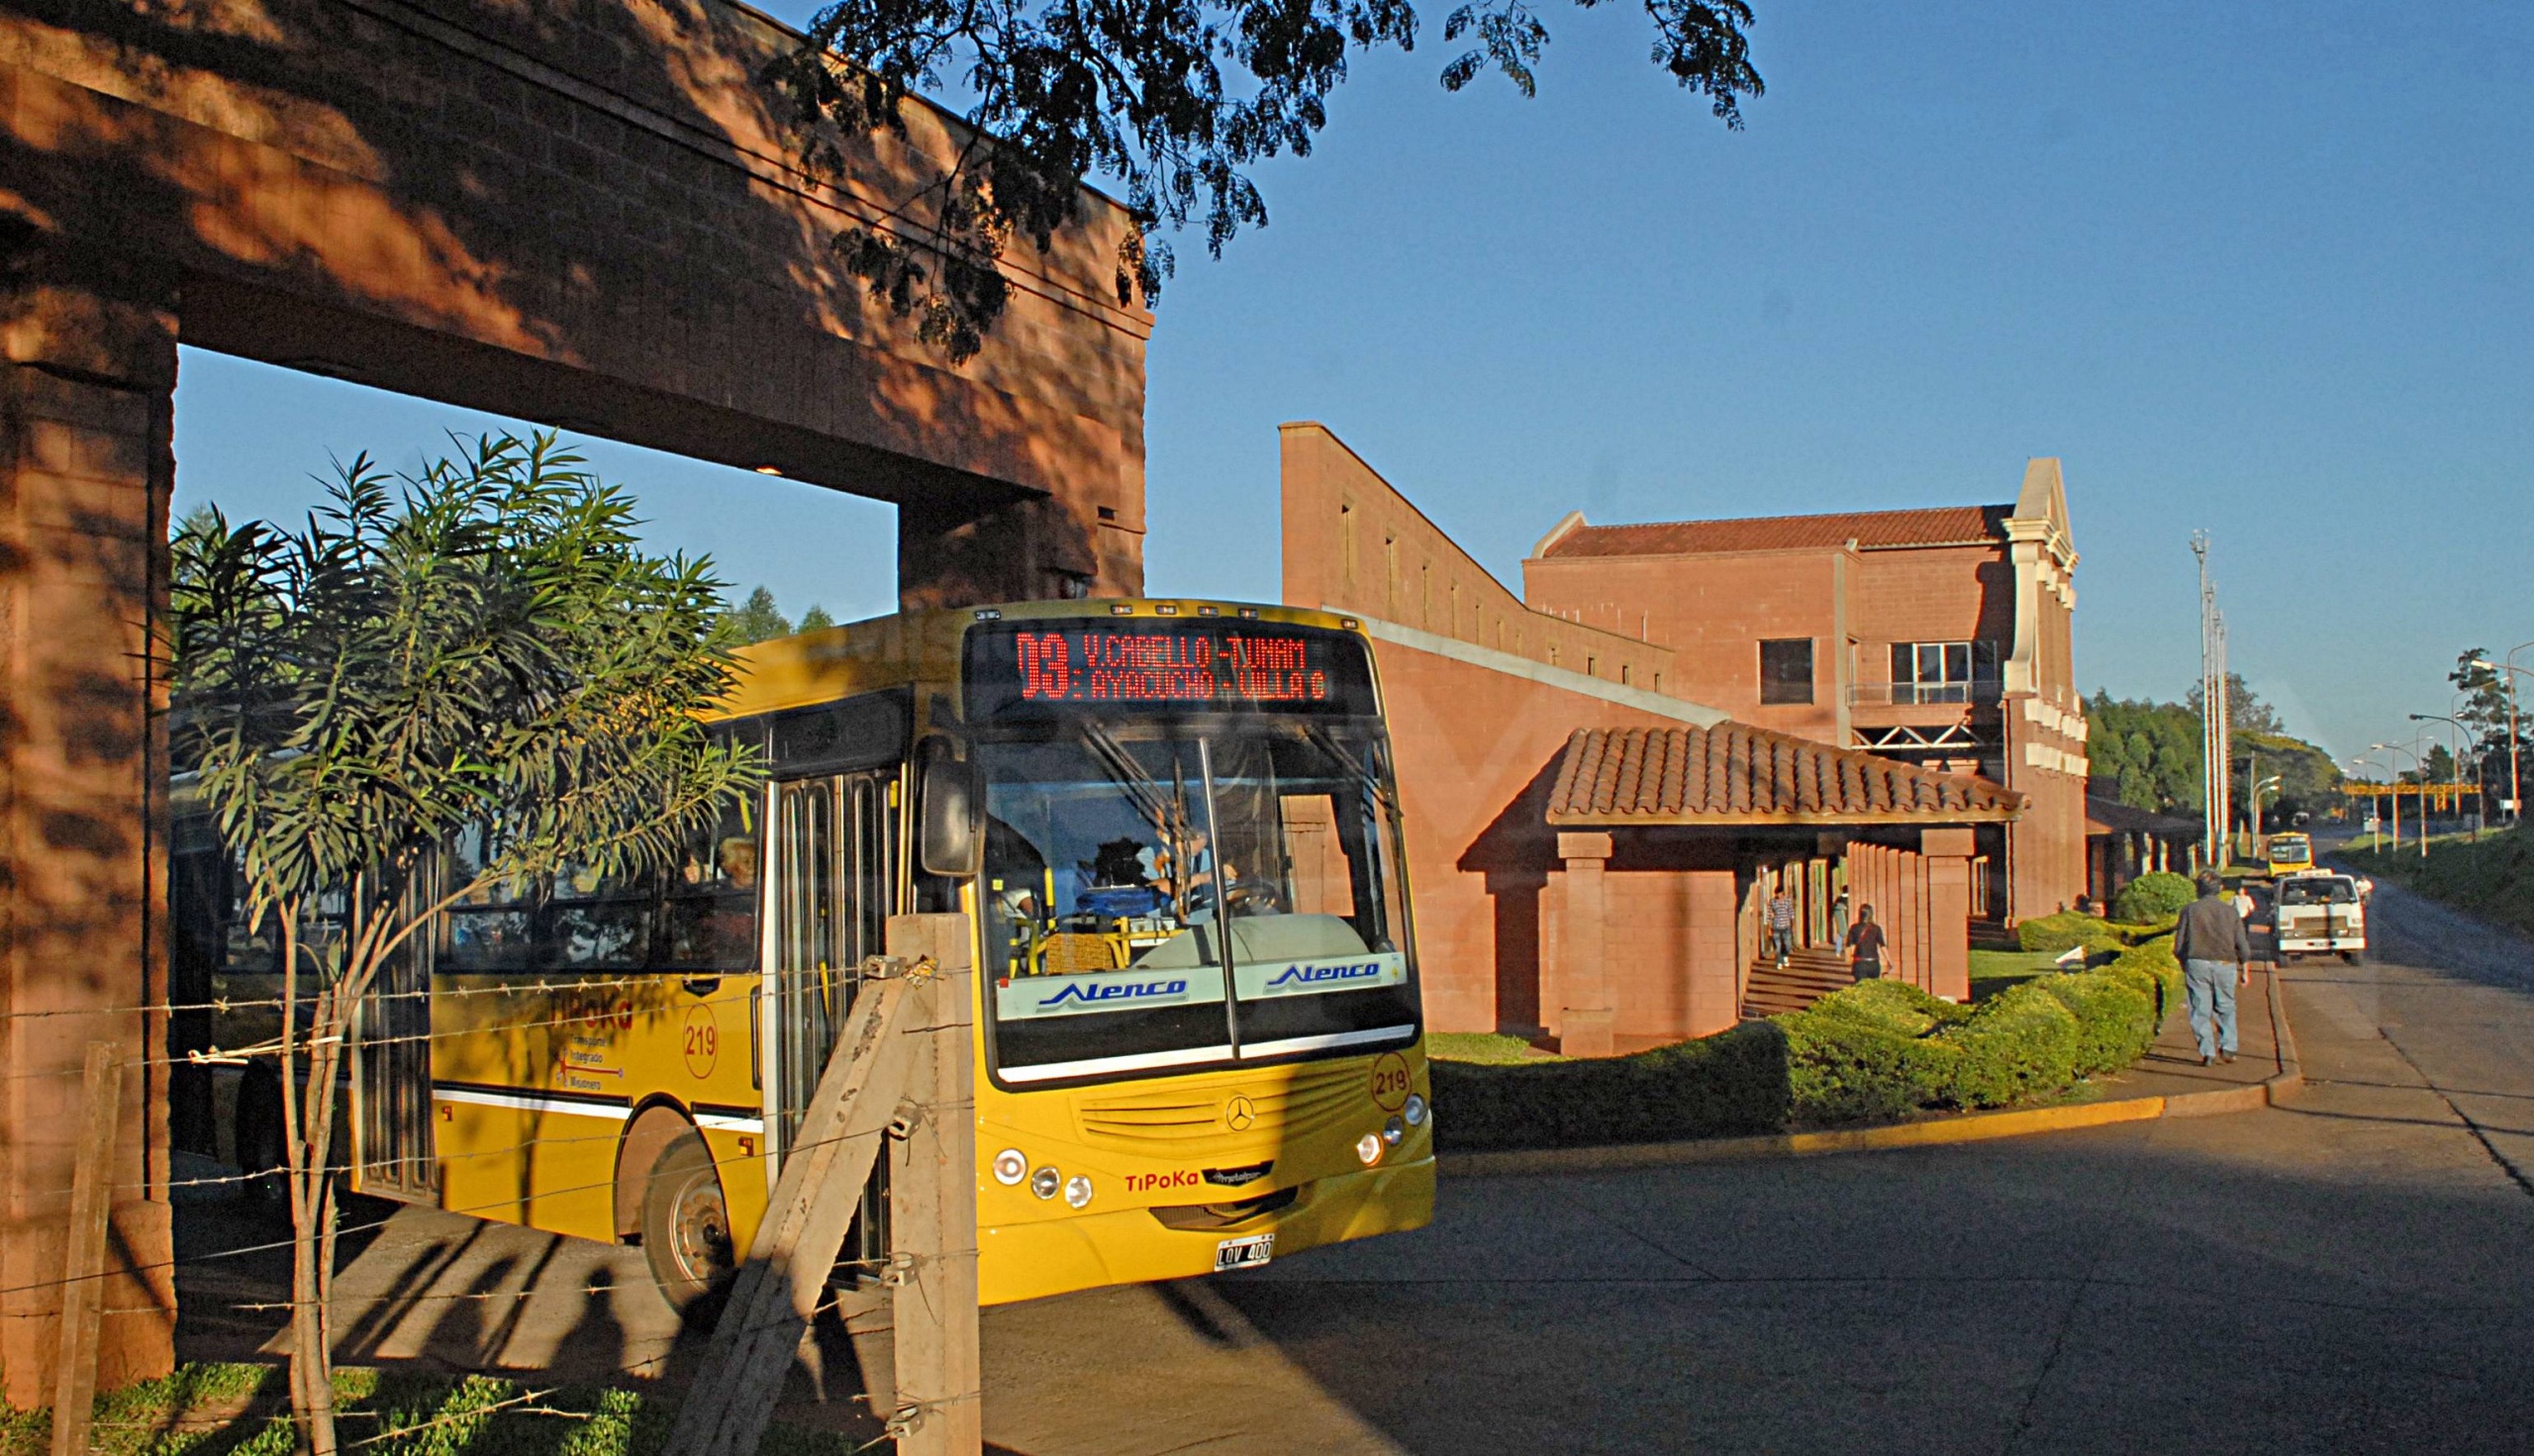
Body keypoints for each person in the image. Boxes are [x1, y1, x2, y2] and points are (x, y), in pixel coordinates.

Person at [2173, 873, 2254, 1066]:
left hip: (2197, 962)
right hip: (2226, 963)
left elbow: (2179, 945)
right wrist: (2245, 969)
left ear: (2198, 889)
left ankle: (2207, 1052)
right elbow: (2242, 945)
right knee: (2226, 1006)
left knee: (2200, 1008)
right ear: (2220, 889)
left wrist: (2185, 963)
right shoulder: (2230, 912)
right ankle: (2228, 1047)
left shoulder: (2189, 911)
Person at [1843, 905, 1886, 983]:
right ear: (1871, 914)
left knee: (1860, 987)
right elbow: (1882, 945)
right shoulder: (1876, 928)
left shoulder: (1854, 928)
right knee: (1873, 987)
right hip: (1874, 963)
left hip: (1860, 963)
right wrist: (1889, 961)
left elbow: (1848, 946)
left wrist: (1850, 960)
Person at [1767, 886, 1797, 969]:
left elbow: (1791, 913)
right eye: (1776, 894)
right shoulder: (1772, 902)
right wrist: (1769, 926)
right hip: (1776, 926)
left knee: (1787, 945)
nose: (1778, 895)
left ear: (1782, 893)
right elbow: (1769, 914)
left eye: (1779, 893)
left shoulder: (1787, 901)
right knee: (1778, 945)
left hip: (1786, 926)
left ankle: (1785, 957)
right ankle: (1779, 962)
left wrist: (1792, 925)